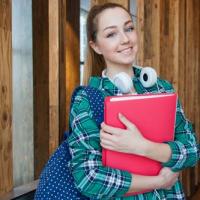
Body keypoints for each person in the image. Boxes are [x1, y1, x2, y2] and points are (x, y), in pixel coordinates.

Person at [68, 3, 199, 199]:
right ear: (95, 46)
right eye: (111, 34)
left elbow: (192, 149)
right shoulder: (87, 100)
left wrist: (142, 147)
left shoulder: (161, 88)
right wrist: (160, 181)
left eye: (129, 28)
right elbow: (89, 178)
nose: (125, 39)